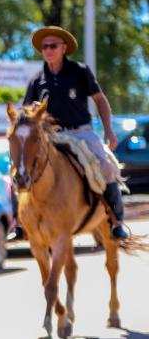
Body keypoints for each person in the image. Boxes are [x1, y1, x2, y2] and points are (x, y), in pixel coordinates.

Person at [22, 25, 127, 239]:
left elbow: (100, 100)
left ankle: (116, 221)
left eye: (53, 46)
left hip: (81, 133)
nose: (48, 50)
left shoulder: (80, 71)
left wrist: (108, 129)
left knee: (107, 168)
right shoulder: (36, 80)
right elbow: (26, 111)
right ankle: (20, 223)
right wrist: (30, 113)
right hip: (50, 136)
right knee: (21, 170)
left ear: (64, 48)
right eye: (44, 47)